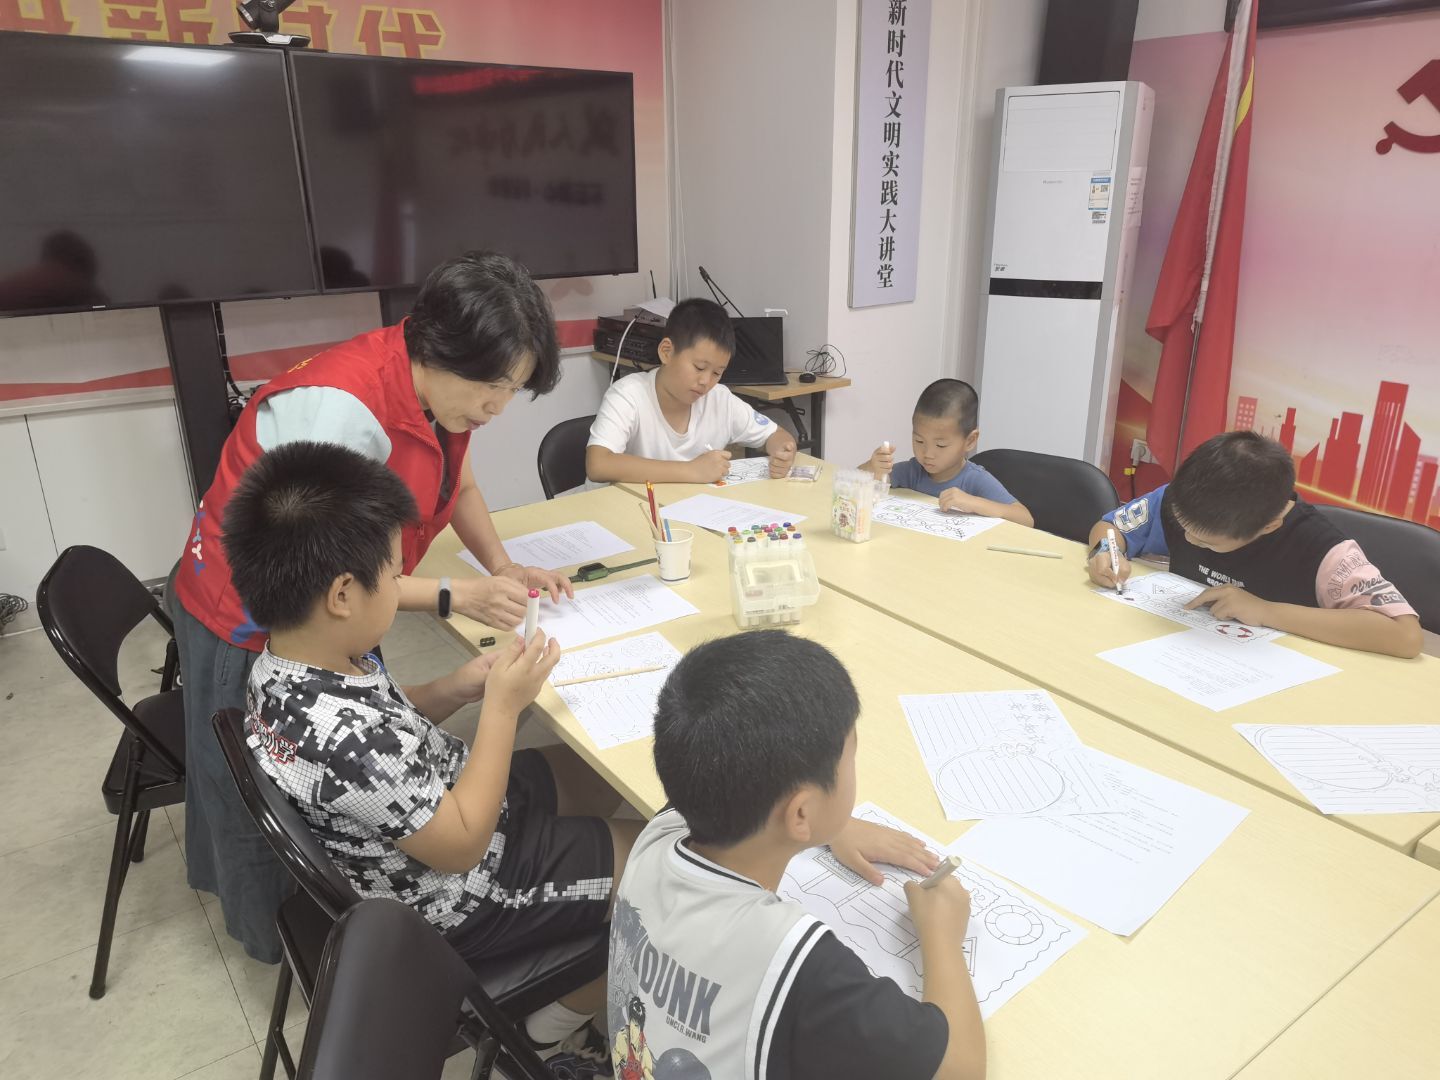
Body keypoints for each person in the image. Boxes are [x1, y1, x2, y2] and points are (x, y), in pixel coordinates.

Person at [169, 251, 575, 962]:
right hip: (247, 613)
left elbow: (458, 484)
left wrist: (503, 567)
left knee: (348, 763)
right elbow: (328, 571)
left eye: (512, 389)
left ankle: (343, 894)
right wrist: (455, 594)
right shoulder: (339, 412)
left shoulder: (440, 391)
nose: (497, 407)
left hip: (328, 608)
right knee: (257, 794)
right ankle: (286, 943)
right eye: (492, 386)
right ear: (440, 349)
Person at [226, 441, 638, 1062]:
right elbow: (462, 844)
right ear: (343, 594)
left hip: (442, 798)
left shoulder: (291, 664)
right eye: (395, 576)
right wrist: (500, 709)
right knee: (656, 866)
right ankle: (545, 1035)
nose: (400, 587)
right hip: (462, 894)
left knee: (599, 769)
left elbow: (388, 721)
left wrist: (456, 687)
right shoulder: (348, 739)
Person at [608, 630, 986, 1080]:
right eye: (851, 758)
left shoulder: (662, 830)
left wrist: (828, 826)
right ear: (800, 812)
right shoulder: (794, 960)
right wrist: (942, 935)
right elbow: (961, 1068)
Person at [1086, 431, 1422, 658]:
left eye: (1206, 541)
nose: (1187, 539)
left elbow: (1405, 635)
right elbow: (1110, 526)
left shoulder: (1325, 551)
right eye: (1183, 527)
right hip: (1176, 649)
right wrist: (1106, 551)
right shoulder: (1182, 501)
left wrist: (1266, 611)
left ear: (1269, 526)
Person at [585, 298, 798, 484]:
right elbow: (598, 464)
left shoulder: (720, 400)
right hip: (619, 509)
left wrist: (783, 451)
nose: (706, 382)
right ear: (666, 352)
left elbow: (776, 435)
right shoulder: (628, 395)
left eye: (717, 373)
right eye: (699, 367)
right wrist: (691, 471)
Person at [862, 378, 1032, 527]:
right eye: (919, 441)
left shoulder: (975, 479)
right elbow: (857, 483)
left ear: (970, 441)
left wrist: (974, 502)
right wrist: (872, 467)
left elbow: (1025, 519)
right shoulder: (912, 471)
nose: (928, 453)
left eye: (941, 445)